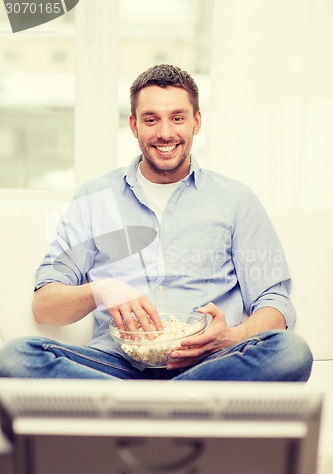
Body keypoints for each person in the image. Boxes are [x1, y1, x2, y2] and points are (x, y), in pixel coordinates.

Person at [0, 64, 312, 381]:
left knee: (291, 352)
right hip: (114, 365)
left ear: (197, 121)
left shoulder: (236, 199)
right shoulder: (95, 197)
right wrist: (101, 290)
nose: (165, 133)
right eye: (151, 120)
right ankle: (174, 407)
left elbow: (275, 303)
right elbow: (44, 306)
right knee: (16, 357)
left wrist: (228, 339)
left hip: (209, 364)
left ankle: (140, 406)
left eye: (177, 118)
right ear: (134, 125)